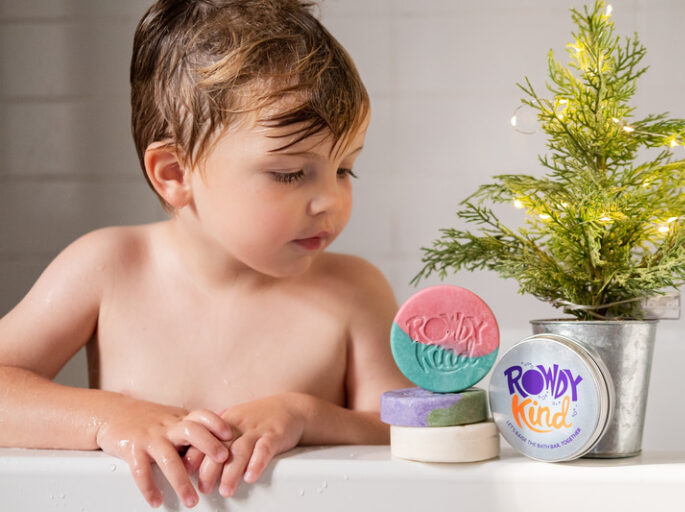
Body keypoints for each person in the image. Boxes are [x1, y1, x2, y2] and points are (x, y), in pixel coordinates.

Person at [0, 0, 410, 508]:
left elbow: (409, 430)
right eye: (289, 172)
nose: (332, 199)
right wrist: (108, 417)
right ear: (175, 173)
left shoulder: (354, 291)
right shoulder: (109, 267)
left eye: (345, 168)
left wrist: (304, 414)